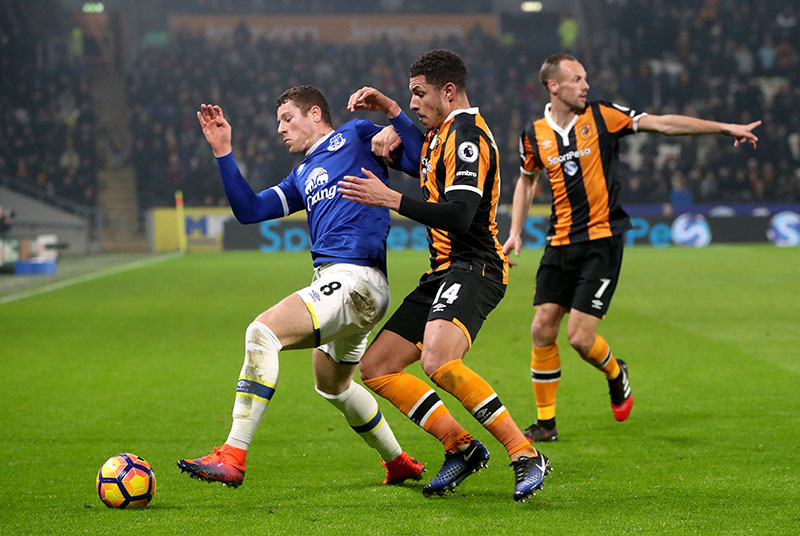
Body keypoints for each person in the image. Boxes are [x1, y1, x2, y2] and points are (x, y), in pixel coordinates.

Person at [502, 53, 761, 442]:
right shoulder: (533, 133)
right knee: (541, 327)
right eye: (577, 79)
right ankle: (545, 423)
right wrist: (515, 230)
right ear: (553, 86)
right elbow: (526, 179)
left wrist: (723, 128)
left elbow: (663, 124)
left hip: (602, 241)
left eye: (586, 78)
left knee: (580, 339)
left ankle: (614, 371)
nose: (586, 85)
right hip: (559, 242)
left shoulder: (602, 115)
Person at [177, 86, 424, 488]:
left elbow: (417, 159)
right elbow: (250, 210)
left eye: (287, 119)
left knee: (262, 333)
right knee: (333, 386)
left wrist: (395, 118)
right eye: (278, 122)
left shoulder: (356, 134)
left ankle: (233, 454)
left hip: (355, 278)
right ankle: (398, 462)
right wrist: (223, 151)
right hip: (348, 286)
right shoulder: (302, 175)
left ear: (314, 114)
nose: (280, 129)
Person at [339, 49, 551, 503]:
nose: (413, 102)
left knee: (438, 360)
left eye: (419, 93)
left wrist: (391, 199)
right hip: (442, 271)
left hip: (476, 265)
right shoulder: (441, 136)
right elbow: (420, 155)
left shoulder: (467, 136)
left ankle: (525, 453)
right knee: (376, 368)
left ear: (448, 91)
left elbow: (458, 214)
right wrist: (390, 111)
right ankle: (462, 447)